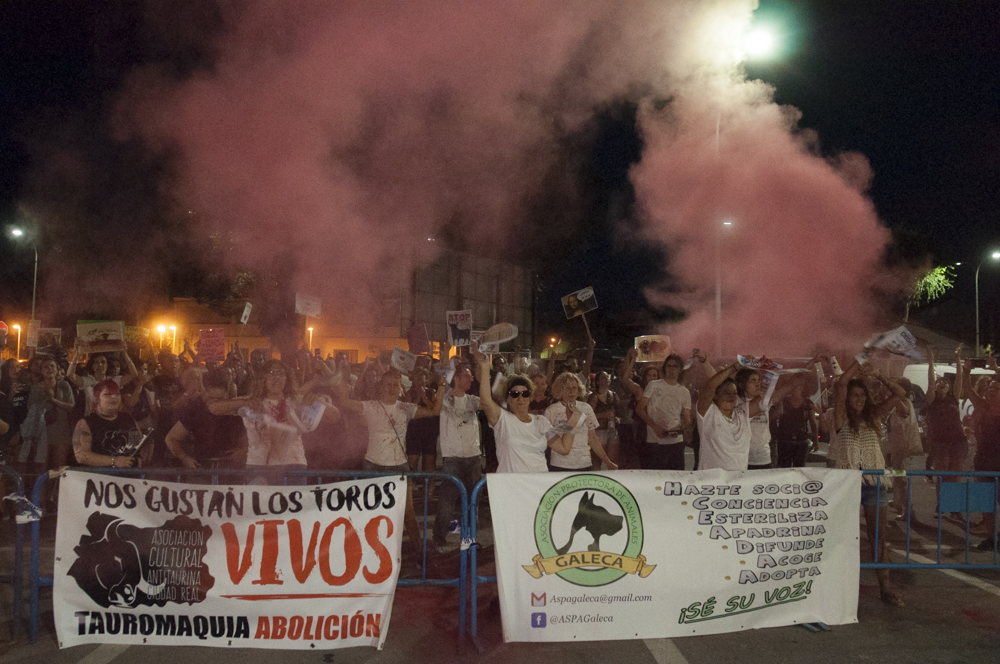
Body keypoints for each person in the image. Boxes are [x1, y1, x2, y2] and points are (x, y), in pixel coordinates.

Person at [333, 365, 443, 548]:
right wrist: (339, 378)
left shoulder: (405, 408)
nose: (391, 388)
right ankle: (368, 551)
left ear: (401, 387)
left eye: (395, 384)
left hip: (399, 466)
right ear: (380, 387)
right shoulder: (370, 406)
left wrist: (443, 386)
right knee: (371, 512)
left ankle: (419, 554)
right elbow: (344, 401)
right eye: (387, 384)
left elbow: (434, 411)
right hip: (373, 467)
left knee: (408, 513)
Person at [833, 360, 908, 606]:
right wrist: (859, 362)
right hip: (848, 484)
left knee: (879, 536)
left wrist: (878, 375)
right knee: (846, 537)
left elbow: (900, 393)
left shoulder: (874, 416)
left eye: (863, 395)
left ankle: (885, 589)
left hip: (874, 482)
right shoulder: (840, 417)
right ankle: (841, 588)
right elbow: (842, 381)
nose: (859, 399)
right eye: (855, 395)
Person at [209, 360, 340, 484]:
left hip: (293, 465)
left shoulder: (296, 401)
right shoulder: (253, 402)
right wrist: (245, 402)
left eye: (281, 374)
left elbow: (335, 416)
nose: (276, 377)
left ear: (287, 379)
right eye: (271, 373)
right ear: (263, 378)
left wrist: (315, 404)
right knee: (260, 508)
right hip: (259, 467)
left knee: (292, 508)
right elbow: (214, 408)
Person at [473, 349, 574, 473]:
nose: (520, 398)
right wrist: (484, 368)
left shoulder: (541, 421)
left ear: (530, 397)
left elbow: (564, 448)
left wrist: (571, 421)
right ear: (508, 399)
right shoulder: (503, 419)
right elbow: (485, 402)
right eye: (515, 394)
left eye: (525, 393)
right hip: (513, 485)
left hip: (539, 483)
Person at [432, 364, 482, 548]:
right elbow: (443, 377)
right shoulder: (446, 399)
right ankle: (438, 538)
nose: (470, 380)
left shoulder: (472, 400)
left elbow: (488, 401)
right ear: (456, 378)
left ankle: (470, 539)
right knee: (447, 500)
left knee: (473, 500)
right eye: (465, 377)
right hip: (453, 457)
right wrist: (446, 354)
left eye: (470, 377)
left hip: (473, 456)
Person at [165, 369, 248, 474]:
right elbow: (171, 438)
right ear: (204, 392)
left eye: (220, 399)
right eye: (211, 398)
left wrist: (243, 451)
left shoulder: (239, 411)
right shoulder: (196, 410)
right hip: (202, 469)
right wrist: (184, 457)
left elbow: (260, 439)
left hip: (233, 472)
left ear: (227, 394)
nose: (215, 403)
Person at [924, 345, 969, 511]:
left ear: (949, 387)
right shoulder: (932, 401)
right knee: (942, 476)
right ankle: (941, 505)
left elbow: (959, 379)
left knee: (955, 475)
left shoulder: (954, 399)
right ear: (935, 387)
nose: (941, 383)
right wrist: (931, 360)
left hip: (957, 441)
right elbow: (930, 379)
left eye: (944, 382)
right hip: (940, 443)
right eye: (938, 382)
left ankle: (954, 506)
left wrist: (957, 358)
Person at [696, 363, 763, 471]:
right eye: (726, 393)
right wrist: (735, 367)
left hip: (738, 482)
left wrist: (771, 373)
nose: (731, 397)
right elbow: (709, 386)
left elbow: (768, 397)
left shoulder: (743, 413)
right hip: (711, 483)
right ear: (715, 395)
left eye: (734, 393)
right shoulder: (708, 413)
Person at [545, 373, 616, 472]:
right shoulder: (551, 410)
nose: (571, 391)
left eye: (574, 388)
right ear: (560, 391)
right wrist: (572, 421)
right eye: (567, 388)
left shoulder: (586, 408)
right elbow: (549, 438)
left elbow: (593, 438)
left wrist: (607, 461)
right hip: (560, 464)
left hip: (584, 463)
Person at [963, 358, 1000, 546]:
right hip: (984, 459)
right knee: (987, 501)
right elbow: (968, 390)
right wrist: (966, 371)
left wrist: (996, 369)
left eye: (996, 388)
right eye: (990, 389)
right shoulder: (983, 405)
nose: (992, 391)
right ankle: (992, 538)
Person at [72, 380, 149, 468]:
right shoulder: (85, 423)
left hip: (130, 476)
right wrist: (114, 461)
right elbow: (81, 456)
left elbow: (138, 444)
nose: (113, 397)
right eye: (107, 394)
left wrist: (140, 458)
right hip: (101, 477)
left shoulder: (128, 419)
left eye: (117, 394)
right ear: (97, 398)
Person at [17, 357, 75, 474]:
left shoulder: (64, 385)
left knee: (59, 470)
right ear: (41, 371)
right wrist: (44, 397)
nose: (49, 369)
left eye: (52, 366)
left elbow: (71, 406)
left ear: (57, 369)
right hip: (42, 433)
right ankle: (40, 493)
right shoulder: (36, 388)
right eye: (46, 367)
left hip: (61, 433)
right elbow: (32, 410)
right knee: (41, 471)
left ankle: (56, 492)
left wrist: (53, 399)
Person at [636, 354, 691, 470]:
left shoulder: (684, 392)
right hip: (655, 441)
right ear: (664, 368)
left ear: (680, 369)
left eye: (675, 366)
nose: (671, 369)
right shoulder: (653, 385)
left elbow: (686, 418)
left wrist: (678, 429)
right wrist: (655, 427)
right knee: (655, 479)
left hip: (676, 442)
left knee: (676, 478)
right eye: (669, 366)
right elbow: (640, 409)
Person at [773, 378, 818, 468]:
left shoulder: (807, 403)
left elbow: (813, 423)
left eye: (801, 386)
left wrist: (815, 440)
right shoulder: (784, 401)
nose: (798, 388)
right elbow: (775, 418)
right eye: (796, 386)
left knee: (800, 469)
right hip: (784, 441)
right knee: (783, 468)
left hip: (801, 442)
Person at [404, 368, 441, 472]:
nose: (419, 380)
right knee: (412, 460)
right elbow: (408, 410)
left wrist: (425, 399)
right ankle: (412, 485)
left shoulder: (431, 392)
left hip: (429, 430)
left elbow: (435, 409)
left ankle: (430, 486)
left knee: (429, 460)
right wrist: (418, 398)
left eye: (422, 378)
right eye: (417, 378)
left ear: (426, 380)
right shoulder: (408, 393)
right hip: (413, 431)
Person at [588, 371, 620, 468]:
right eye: (603, 377)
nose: (606, 379)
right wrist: (603, 415)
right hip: (599, 430)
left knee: (613, 458)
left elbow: (618, 412)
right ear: (597, 382)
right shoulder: (594, 397)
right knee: (597, 458)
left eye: (607, 377)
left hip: (612, 429)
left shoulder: (614, 395)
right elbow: (588, 416)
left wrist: (617, 418)